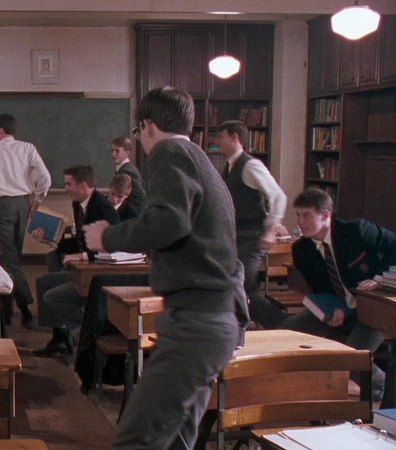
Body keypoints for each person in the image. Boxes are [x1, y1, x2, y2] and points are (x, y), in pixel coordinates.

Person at [84, 87, 244, 449]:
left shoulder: (170, 152)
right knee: (175, 440)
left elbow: (169, 222)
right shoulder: (199, 158)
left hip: (196, 323)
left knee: (136, 440)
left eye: (138, 132)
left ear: (148, 126)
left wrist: (107, 236)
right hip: (213, 319)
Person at [283, 187, 396, 400]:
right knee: (289, 331)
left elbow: (394, 245)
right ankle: (312, 383)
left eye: (307, 215)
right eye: (298, 215)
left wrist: (379, 278)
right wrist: (331, 311)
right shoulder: (301, 250)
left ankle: (381, 384)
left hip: (372, 309)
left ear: (326, 215)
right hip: (339, 306)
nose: (300, 222)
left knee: (349, 360)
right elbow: (320, 289)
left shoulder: (356, 231)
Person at [0, 113, 51, 328]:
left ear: (0, 129)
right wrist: (37, 199)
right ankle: (7, 309)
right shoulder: (27, 148)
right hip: (23, 204)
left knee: (10, 259)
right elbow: (45, 177)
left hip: (3, 205)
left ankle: (24, 308)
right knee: (13, 257)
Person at [33, 165, 119, 356]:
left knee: (52, 295)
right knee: (44, 280)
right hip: (83, 268)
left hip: (98, 272)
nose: (66, 189)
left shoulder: (103, 208)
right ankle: (60, 338)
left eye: (69, 184)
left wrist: (83, 256)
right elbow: (79, 240)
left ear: (83, 185)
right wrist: (49, 239)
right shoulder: (78, 204)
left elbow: (113, 246)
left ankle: (89, 328)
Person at [218, 120, 288, 329]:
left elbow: (278, 196)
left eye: (221, 137)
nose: (218, 142)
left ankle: (285, 326)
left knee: (244, 287)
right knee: (237, 286)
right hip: (236, 237)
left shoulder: (250, 165)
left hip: (251, 236)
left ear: (235, 138)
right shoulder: (229, 168)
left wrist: (270, 229)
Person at [111, 136, 147, 215]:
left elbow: (141, 197)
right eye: (112, 150)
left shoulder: (127, 171)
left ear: (127, 152)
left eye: (117, 151)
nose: (113, 154)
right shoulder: (126, 168)